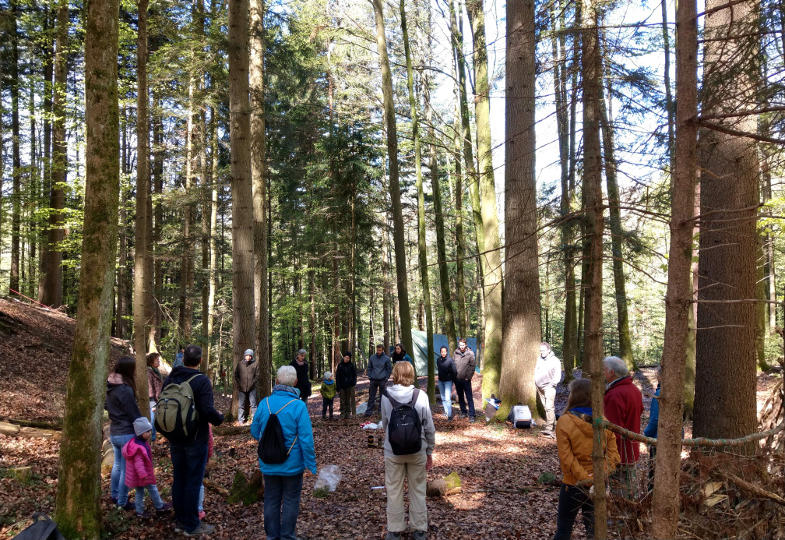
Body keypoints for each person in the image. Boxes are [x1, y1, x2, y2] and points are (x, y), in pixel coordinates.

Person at [163, 345, 224, 536]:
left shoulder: (171, 377)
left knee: (179, 478)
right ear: (199, 360)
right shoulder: (201, 380)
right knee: (193, 481)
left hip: (174, 436)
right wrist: (219, 418)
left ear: (183, 359)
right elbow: (206, 410)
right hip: (196, 438)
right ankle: (191, 525)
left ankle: (180, 521)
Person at [251, 365, 317, 540]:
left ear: (277, 381)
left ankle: (272, 536)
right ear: (295, 382)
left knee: (271, 500)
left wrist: (269, 444)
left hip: (268, 463)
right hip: (292, 465)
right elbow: (306, 439)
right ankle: (288, 536)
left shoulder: (264, 403)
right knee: (290, 500)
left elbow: (254, 431)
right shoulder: (298, 406)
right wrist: (311, 464)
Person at [554, 378, 620, 540]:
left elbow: (567, 460)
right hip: (598, 484)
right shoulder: (603, 422)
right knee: (594, 532)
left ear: (575, 396)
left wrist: (586, 480)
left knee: (564, 529)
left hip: (574, 485)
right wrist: (597, 478)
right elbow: (614, 458)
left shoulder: (564, 421)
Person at [381, 361, 436, 540]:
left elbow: (385, 424)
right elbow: (429, 426)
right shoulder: (421, 395)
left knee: (394, 490)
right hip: (417, 449)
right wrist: (430, 450)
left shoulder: (386, 396)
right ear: (411, 374)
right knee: (418, 489)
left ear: (395, 374)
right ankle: (419, 529)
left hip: (393, 451)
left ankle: (395, 530)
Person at [603, 355, 643, 499]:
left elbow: (612, 429)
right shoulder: (634, 390)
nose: (602, 373)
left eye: (604, 370)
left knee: (620, 493)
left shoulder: (615, 394)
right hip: (631, 449)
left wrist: (606, 452)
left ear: (611, 372)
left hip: (619, 452)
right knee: (630, 490)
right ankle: (630, 516)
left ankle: (621, 520)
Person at [106, 356, 143, 510]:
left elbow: (105, 406)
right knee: (125, 469)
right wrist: (144, 428)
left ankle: (114, 495)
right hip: (126, 433)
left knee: (117, 466)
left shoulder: (110, 386)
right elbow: (133, 412)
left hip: (114, 432)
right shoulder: (125, 389)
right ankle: (122, 501)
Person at [122, 417, 172, 518]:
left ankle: (140, 511)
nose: (149, 433)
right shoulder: (138, 447)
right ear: (140, 433)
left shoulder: (140, 442)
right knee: (151, 489)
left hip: (140, 475)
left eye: (149, 431)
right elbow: (138, 463)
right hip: (142, 475)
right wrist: (143, 474)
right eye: (146, 432)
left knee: (140, 492)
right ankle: (159, 506)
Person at [535, 342, 562, 438]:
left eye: (543, 350)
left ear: (549, 350)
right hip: (539, 387)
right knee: (546, 407)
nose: (541, 352)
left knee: (549, 407)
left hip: (549, 387)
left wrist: (552, 384)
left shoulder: (555, 361)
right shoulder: (539, 359)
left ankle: (549, 429)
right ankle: (555, 424)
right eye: (540, 350)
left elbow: (558, 376)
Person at [643, 367, 661, 492]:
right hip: (675, 438)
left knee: (655, 472)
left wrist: (646, 434)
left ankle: (652, 496)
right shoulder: (677, 391)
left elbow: (655, 419)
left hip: (658, 439)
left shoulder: (659, 395)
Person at [366, 344, 393, 417]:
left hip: (382, 380)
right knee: (371, 396)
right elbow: (369, 367)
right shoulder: (372, 357)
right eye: (377, 350)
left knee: (383, 396)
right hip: (373, 379)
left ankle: (381, 411)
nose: (378, 351)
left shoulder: (386, 358)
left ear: (383, 350)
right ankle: (368, 411)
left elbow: (389, 369)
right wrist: (369, 376)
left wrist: (386, 378)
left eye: (380, 350)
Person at [453, 338, 476, 422]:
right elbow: (453, 364)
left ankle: (472, 415)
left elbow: (472, 366)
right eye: (460, 345)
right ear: (459, 345)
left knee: (469, 397)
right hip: (457, 379)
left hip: (466, 380)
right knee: (460, 396)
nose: (461, 346)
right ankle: (463, 412)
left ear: (465, 345)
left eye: (463, 345)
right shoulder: (456, 353)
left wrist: (468, 377)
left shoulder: (470, 353)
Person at [235, 348, 259, 424]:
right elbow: (236, 375)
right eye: (247, 355)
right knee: (241, 405)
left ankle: (254, 420)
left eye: (250, 356)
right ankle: (240, 420)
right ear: (244, 356)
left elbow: (257, 376)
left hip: (252, 388)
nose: (248, 357)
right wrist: (240, 384)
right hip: (242, 388)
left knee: (253, 405)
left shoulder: (255, 364)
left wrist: (252, 383)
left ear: (252, 356)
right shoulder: (240, 364)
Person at [197, 425, 214, 521]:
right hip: (199, 454)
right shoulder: (203, 417)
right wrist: (208, 456)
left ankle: (183, 510)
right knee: (198, 484)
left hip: (181, 453)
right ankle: (198, 510)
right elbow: (209, 439)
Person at [436, 346, 457, 420]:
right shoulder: (438, 360)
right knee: (443, 398)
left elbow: (454, 371)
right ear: (440, 352)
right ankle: (446, 412)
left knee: (448, 398)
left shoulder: (450, 360)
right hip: (440, 381)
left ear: (446, 352)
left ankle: (450, 415)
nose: (443, 353)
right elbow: (439, 369)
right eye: (442, 351)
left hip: (448, 381)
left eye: (444, 351)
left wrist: (453, 380)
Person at [146, 352, 164, 442]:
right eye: (157, 360)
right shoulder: (149, 372)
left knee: (155, 419)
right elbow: (149, 387)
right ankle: (151, 439)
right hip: (152, 399)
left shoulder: (155, 371)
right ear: (151, 361)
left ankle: (153, 438)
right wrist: (152, 400)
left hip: (157, 398)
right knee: (152, 420)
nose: (159, 361)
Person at [335, 351, 357, 420]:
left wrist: (353, 382)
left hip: (349, 385)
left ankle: (348, 413)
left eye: (348, 358)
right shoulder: (340, 365)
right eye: (346, 357)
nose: (346, 359)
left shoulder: (351, 365)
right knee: (342, 400)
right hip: (341, 386)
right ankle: (342, 413)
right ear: (343, 357)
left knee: (348, 400)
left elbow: (354, 375)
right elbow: (337, 376)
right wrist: (338, 386)